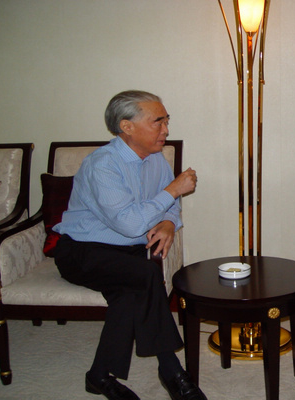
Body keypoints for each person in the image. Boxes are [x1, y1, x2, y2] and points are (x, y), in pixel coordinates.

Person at [53, 90, 207, 400]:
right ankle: (171, 370)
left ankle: (99, 376)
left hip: (128, 253)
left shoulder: (156, 159)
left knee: (129, 294)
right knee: (146, 274)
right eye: (158, 122)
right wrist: (173, 189)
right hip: (83, 250)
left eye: (166, 121)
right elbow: (131, 224)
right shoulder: (102, 165)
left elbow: (168, 208)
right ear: (127, 127)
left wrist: (169, 222)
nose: (166, 130)